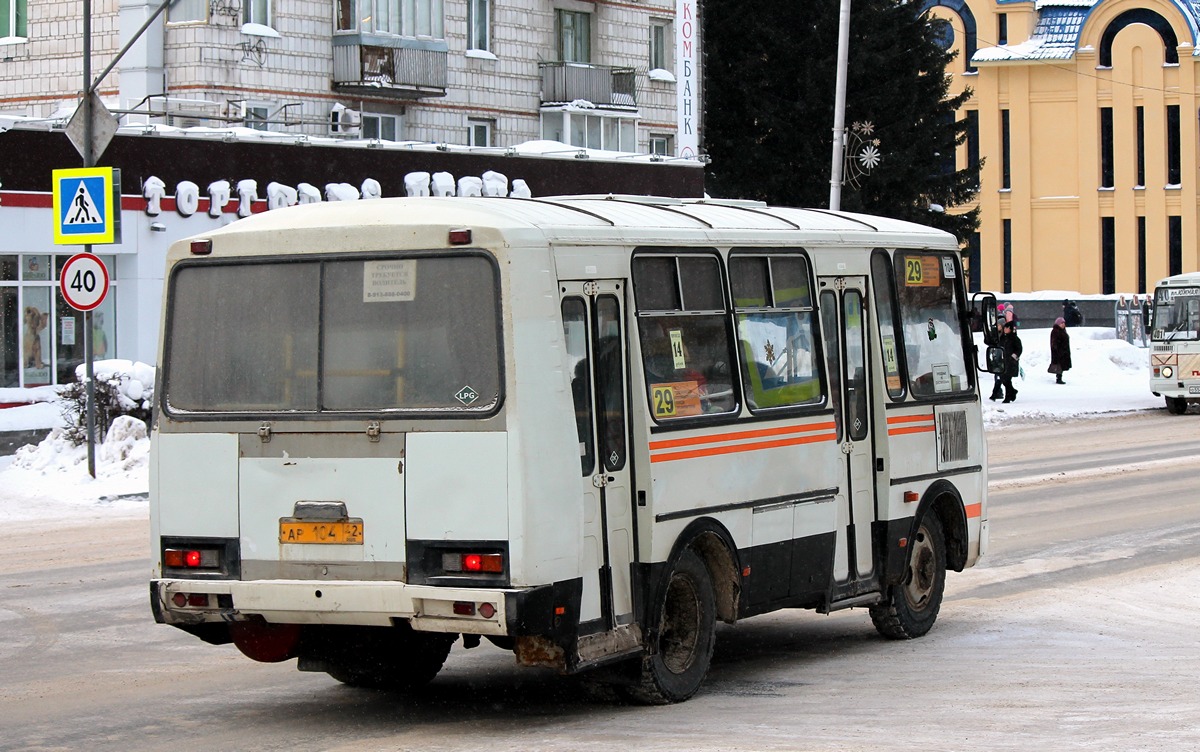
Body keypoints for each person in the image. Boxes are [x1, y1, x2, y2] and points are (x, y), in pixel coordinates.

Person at [999, 320, 1022, 403]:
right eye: (1005, 327)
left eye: (1007, 328)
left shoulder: (1014, 339)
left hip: (1011, 362)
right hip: (1004, 362)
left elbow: (1019, 349)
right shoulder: (1003, 338)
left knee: (1007, 379)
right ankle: (1012, 391)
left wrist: (1013, 357)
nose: (1005, 329)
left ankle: (1008, 396)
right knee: (1004, 379)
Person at [1048, 317, 1071, 385]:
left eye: (1064, 323)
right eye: (1062, 323)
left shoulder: (1062, 331)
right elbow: (1054, 342)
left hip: (1063, 351)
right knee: (1059, 365)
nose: (1063, 324)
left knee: (1062, 365)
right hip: (1059, 352)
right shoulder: (1056, 331)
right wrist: (1057, 350)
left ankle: (1059, 378)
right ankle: (1058, 378)